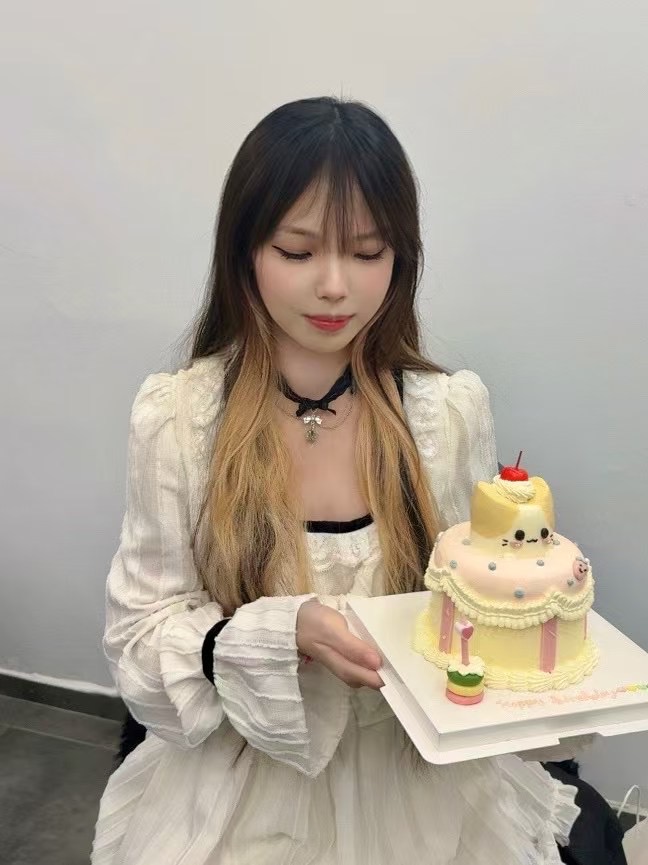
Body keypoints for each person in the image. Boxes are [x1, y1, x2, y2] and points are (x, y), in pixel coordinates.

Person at [91, 96, 585, 865]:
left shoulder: (447, 414)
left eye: (366, 252)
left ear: (401, 258)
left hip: (421, 775)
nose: (334, 286)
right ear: (244, 253)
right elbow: (139, 645)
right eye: (297, 252)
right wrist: (275, 635)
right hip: (246, 774)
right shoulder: (179, 420)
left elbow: (479, 606)